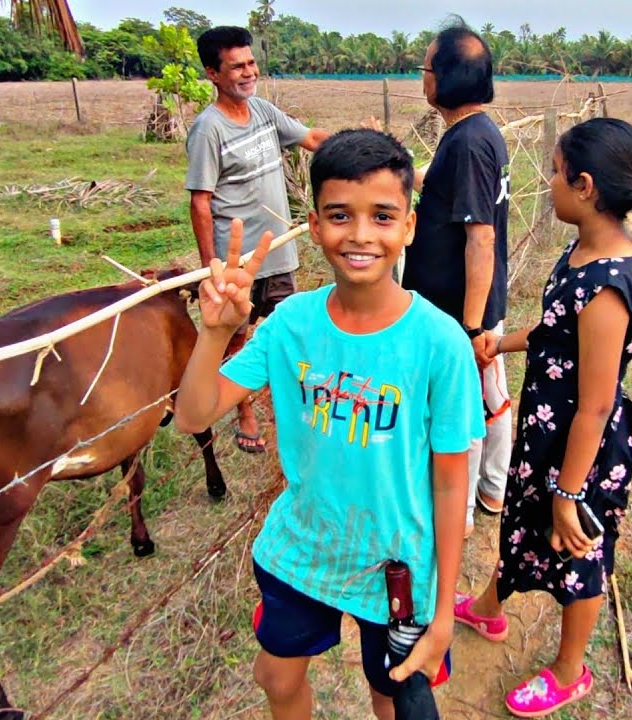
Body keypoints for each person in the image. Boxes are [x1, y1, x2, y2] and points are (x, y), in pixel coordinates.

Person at [174, 129, 484, 720]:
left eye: (382, 216)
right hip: (304, 546)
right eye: (340, 215)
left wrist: (444, 611)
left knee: (392, 694)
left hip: (397, 567)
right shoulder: (291, 324)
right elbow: (193, 414)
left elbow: (450, 483)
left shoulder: (440, 343)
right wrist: (215, 332)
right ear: (314, 226)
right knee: (276, 676)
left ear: (409, 226)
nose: (361, 234)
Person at [451, 118, 632, 718]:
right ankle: (491, 608)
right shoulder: (582, 253)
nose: (548, 182)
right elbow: (555, 329)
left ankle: (571, 670)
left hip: (581, 451)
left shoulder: (608, 283)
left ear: (585, 186)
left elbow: (596, 404)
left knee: (577, 549)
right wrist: (502, 343)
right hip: (550, 432)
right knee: (524, 520)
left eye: (554, 171)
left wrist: (569, 494)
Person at [185, 25, 329, 452]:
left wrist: (362, 146)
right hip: (239, 263)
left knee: (293, 329)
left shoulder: (263, 112)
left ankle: (302, 405)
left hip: (278, 252)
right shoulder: (208, 129)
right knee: (235, 338)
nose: (249, 72)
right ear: (213, 74)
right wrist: (212, 267)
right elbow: (200, 202)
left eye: (251, 63)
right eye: (237, 67)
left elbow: (311, 139)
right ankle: (243, 410)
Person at [403, 22, 513, 539]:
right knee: (491, 398)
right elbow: (438, 183)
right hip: (472, 304)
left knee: (464, 409)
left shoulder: (468, 142)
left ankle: (461, 512)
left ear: (446, 77)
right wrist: (396, 165)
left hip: (462, 310)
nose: (422, 77)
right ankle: (494, 487)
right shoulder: (474, 132)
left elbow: (481, 238)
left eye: (426, 68)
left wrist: (470, 329)